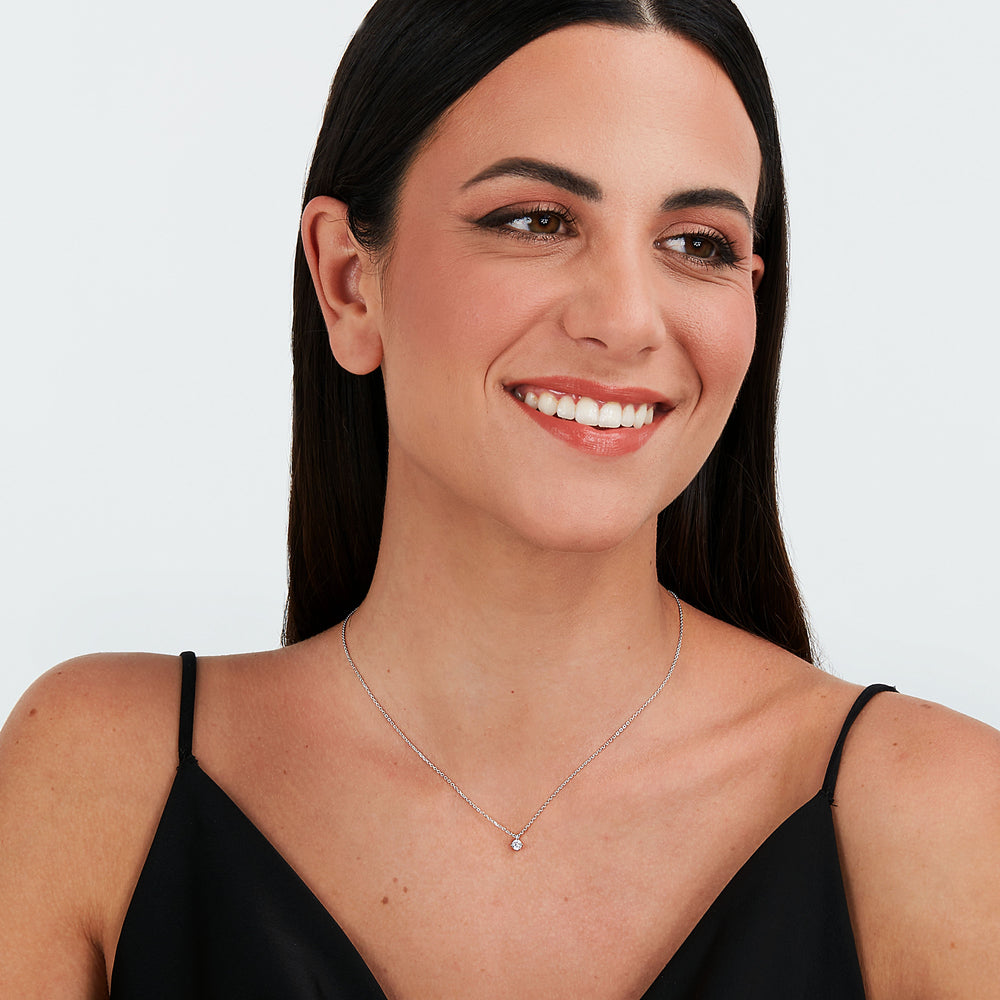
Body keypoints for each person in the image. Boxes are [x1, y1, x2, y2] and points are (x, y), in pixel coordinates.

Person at [1, 0, 998, 996]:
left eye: (696, 243)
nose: (626, 319)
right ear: (348, 282)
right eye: (536, 221)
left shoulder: (940, 818)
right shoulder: (97, 780)